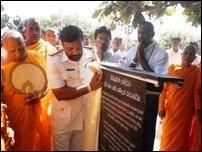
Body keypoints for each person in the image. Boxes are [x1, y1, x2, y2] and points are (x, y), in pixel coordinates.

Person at [46, 25, 103, 151]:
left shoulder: (90, 54)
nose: (75, 52)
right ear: (61, 44)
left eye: (78, 47)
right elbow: (59, 94)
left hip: (85, 118)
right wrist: (89, 87)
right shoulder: (54, 60)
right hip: (63, 121)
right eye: (70, 49)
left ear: (82, 40)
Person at [1, 30, 51, 150]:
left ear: (25, 44)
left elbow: (48, 83)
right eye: (12, 51)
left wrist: (39, 95)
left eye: (21, 49)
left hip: (36, 116)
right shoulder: (2, 65)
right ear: (4, 49)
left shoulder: (36, 57)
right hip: (12, 118)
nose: (18, 54)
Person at [158, 43, 201, 150]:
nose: (188, 56)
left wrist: (198, 110)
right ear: (181, 54)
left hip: (186, 112)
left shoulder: (196, 71)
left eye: (191, 54)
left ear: (194, 57)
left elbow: (197, 92)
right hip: (171, 110)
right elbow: (164, 89)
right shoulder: (172, 68)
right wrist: (161, 107)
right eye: (186, 53)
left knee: (182, 137)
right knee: (167, 135)